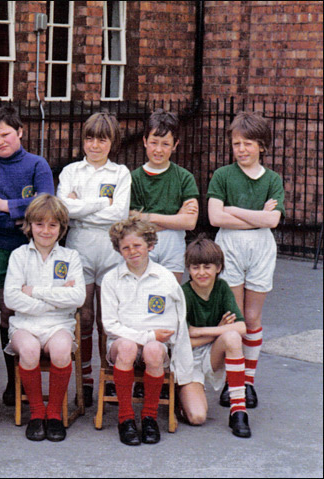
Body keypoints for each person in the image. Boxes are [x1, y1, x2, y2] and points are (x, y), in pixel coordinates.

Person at [207, 111, 284, 410]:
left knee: (252, 318)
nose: (241, 149)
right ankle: (232, 381)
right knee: (234, 318)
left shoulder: (273, 180)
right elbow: (215, 216)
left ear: (262, 146)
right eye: (236, 143)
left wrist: (234, 210)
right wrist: (257, 217)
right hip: (229, 247)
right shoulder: (223, 175)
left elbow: (274, 220)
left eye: (248, 143)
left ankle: (248, 381)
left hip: (261, 249)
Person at [0, 104, 55, 406]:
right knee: (6, 315)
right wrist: (20, 216)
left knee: (31, 310)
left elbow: (46, 204)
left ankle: (30, 377)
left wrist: (7, 206)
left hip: (32, 250)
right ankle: (14, 382)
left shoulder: (37, 165)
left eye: (6, 134)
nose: (1, 142)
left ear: (20, 132)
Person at [56, 112, 131, 407]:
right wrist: (101, 202)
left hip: (111, 247)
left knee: (107, 320)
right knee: (84, 317)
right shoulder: (71, 171)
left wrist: (80, 204)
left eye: (102, 139)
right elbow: (64, 209)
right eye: (90, 138)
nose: (95, 145)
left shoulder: (120, 174)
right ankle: (85, 380)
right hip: (79, 246)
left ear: (112, 142)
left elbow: (119, 214)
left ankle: (108, 378)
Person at [100, 216, 193, 446]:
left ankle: (149, 416)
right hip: (122, 346)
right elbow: (110, 325)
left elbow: (173, 323)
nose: (132, 251)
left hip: (155, 346)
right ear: (119, 250)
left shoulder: (165, 279)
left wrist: (152, 339)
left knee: (153, 350)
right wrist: (147, 335)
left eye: (137, 245)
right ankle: (126, 418)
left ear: (150, 245)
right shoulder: (111, 279)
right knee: (128, 346)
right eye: (125, 247)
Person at [3, 194, 85, 442]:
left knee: (61, 350)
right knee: (28, 351)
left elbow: (78, 297)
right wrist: (59, 297)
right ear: (29, 226)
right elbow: (11, 299)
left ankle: (54, 415)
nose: (46, 231)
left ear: (62, 227)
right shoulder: (19, 255)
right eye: (40, 224)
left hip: (59, 325)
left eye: (53, 225)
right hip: (24, 325)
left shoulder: (71, 258)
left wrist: (35, 292)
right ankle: (37, 414)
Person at [179, 238, 251, 438]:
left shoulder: (222, 288)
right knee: (197, 417)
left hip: (210, 353)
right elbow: (183, 343)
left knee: (232, 337)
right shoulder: (184, 293)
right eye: (195, 267)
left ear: (218, 267)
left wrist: (202, 331)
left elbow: (242, 327)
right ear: (189, 268)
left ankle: (238, 410)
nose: (201, 272)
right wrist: (216, 330)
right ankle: (181, 394)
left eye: (207, 266)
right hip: (188, 359)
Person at [130, 109, 199, 282]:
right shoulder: (134, 178)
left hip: (173, 245)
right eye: (154, 142)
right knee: (141, 294)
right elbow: (132, 221)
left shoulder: (184, 177)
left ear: (175, 144)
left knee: (169, 295)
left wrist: (147, 217)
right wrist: (175, 219)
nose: (158, 150)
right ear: (145, 141)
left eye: (166, 144)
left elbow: (189, 222)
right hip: (142, 243)